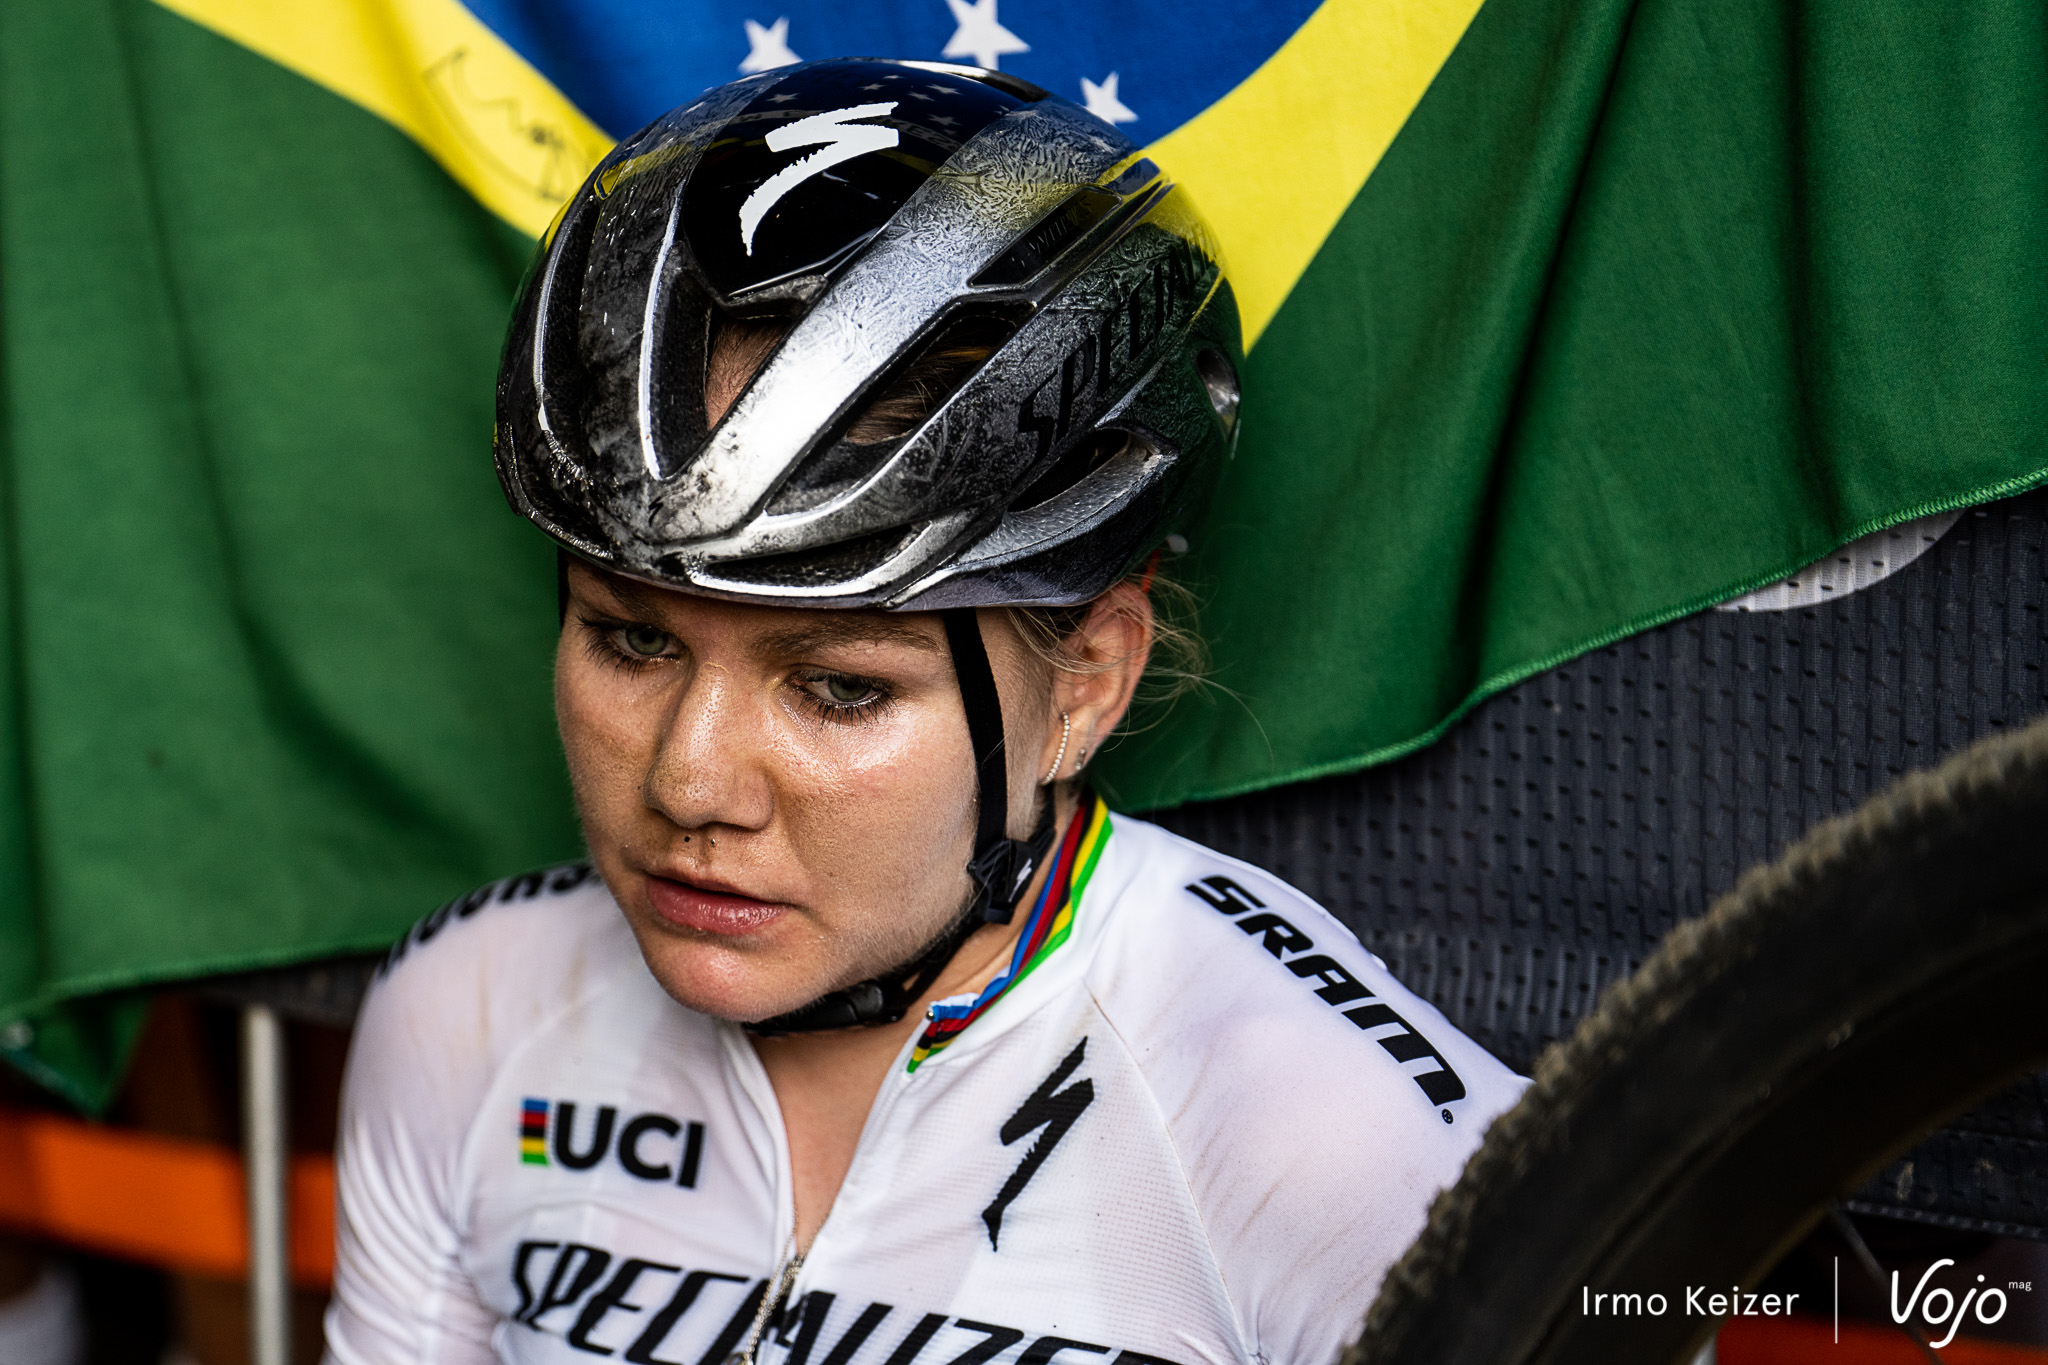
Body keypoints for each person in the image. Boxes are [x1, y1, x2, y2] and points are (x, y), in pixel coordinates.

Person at [324, 58, 1526, 1365]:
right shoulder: (471, 1017)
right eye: (632, 639)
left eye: (838, 685)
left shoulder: (1328, 1137)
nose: (690, 783)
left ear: (1086, 684)